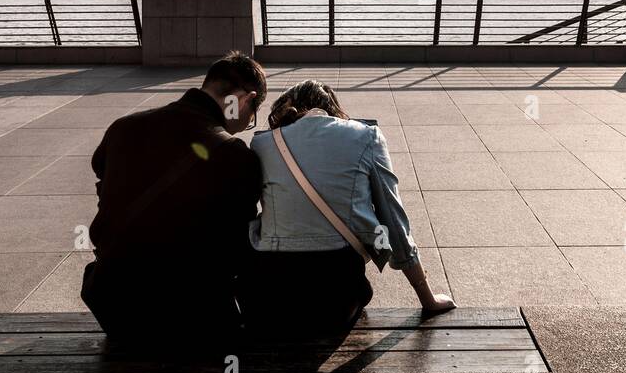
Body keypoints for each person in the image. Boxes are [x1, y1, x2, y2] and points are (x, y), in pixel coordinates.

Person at [81, 50, 267, 352]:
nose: (246, 123)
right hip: (193, 318)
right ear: (245, 99)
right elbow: (239, 246)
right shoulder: (235, 154)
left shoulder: (122, 128)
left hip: (115, 308)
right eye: (251, 116)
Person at [241, 79, 454, 336]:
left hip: (270, 302)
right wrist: (427, 298)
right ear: (333, 109)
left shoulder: (262, 144)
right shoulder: (366, 136)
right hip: (335, 303)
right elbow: (393, 220)